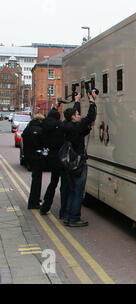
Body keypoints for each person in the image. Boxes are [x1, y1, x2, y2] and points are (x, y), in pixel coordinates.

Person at [63, 91, 97, 227]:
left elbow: (79, 118)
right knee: (78, 191)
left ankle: (67, 215)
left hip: (69, 163)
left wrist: (77, 101)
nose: (79, 115)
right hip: (79, 162)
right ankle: (74, 218)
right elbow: (90, 117)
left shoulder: (66, 125)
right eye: (77, 114)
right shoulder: (77, 127)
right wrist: (92, 101)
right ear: (73, 117)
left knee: (71, 190)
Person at [39, 106, 68, 218]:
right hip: (62, 157)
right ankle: (63, 212)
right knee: (64, 185)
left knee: (53, 183)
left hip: (52, 158)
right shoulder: (61, 126)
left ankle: (45, 207)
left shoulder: (44, 126)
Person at [23, 114, 46, 209]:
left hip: (29, 157)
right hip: (37, 157)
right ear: (40, 120)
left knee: (35, 179)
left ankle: (35, 199)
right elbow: (41, 144)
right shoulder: (39, 130)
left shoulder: (27, 128)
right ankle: (33, 203)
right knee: (37, 181)